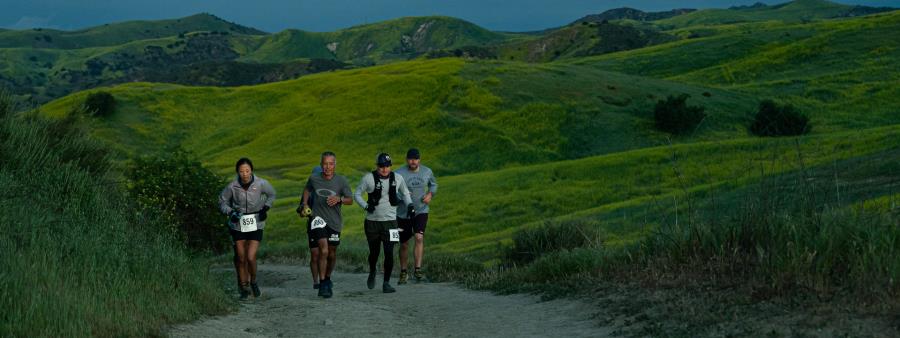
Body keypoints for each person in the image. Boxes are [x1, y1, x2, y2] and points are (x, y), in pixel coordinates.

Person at [353, 153, 414, 293]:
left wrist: (410, 205)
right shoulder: (368, 178)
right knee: (374, 253)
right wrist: (366, 206)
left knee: (389, 252)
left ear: (390, 166)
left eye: (387, 166)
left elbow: (405, 193)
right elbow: (357, 194)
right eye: (381, 166)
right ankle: (372, 271)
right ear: (377, 166)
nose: (384, 169)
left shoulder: (398, 178)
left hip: (391, 223)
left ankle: (386, 283)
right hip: (372, 222)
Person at [219, 157, 276, 300]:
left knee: (250, 257)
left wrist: (265, 208)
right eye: (241, 171)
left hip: (256, 223)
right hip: (238, 224)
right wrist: (230, 212)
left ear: (251, 170)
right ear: (237, 172)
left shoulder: (261, 183)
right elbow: (222, 201)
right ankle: (244, 287)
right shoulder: (232, 186)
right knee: (241, 257)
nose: (244, 174)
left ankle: (254, 281)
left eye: (247, 171)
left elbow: (272, 194)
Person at [298, 154, 351, 298]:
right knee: (323, 250)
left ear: (335, 164)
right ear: (321, 164)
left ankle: (327, 278)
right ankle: (321, 283)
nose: (328, 167)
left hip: (334, 222)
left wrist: (339, 199)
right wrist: (305, 204)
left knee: (332, 254)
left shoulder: (341, 181)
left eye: (331, 164)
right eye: (325, 164)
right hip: (317, 220)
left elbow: (350, 200)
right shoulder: (314, 178)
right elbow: (307, 189)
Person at [394, 148, 438, 284]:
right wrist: (403, 196)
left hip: (421, 210)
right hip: (403, 213)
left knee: (419, 237)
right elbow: (392, 191)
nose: (413, 161)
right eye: (411, 159)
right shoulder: (399, 173)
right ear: (407, 160)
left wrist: (430, 194)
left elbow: (434, 185)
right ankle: (403, 272)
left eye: (416, 159)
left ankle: (417, 270)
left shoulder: (427, 171)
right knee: (404, 244)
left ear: (419, 159)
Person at [298, 165, 323, 290]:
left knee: (325, 253)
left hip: (327, 225)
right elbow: (300, 211)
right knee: (315, 254)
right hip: (313, 226)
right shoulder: (308, 192)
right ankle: (315, 281)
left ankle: (324, 279)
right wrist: (304, 212)